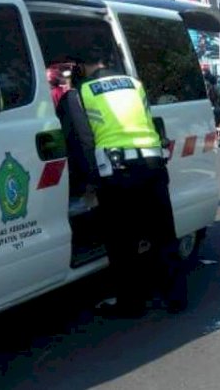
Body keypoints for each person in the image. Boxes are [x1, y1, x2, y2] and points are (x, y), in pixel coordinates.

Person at [59, 44, 186, 316]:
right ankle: (176, 297)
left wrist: (89, 184)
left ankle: (132, 304)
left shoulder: (79, 93)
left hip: (117, 174)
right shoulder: (134, 84)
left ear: (80, 67)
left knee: (122, 243)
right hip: (153, 165)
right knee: (163, 235)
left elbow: (83, 140)